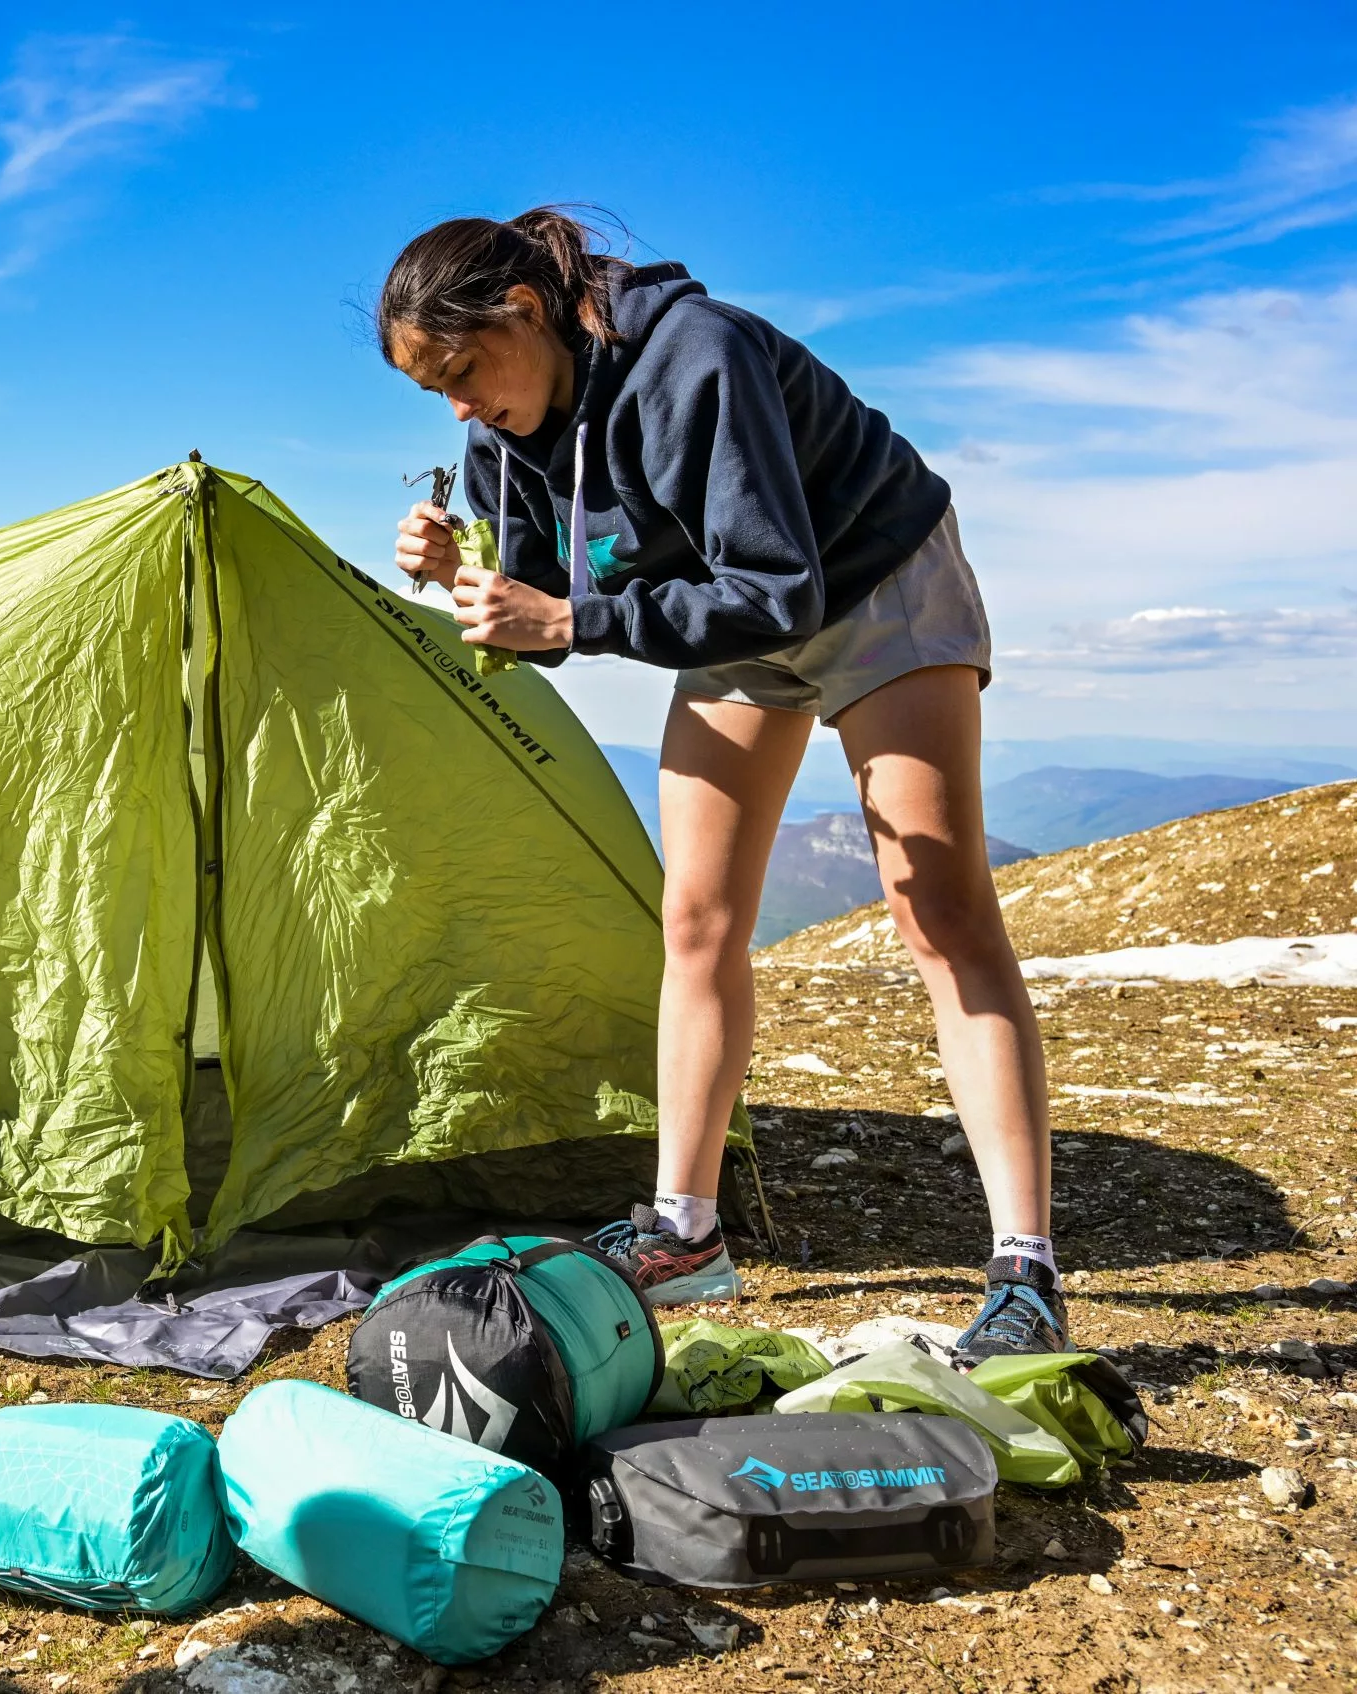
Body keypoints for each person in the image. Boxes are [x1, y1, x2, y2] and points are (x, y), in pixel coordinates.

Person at [380, 208, 1061, 1363]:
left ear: (524, 312)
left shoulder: (698, 353)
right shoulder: (502, 433)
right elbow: (545, 604)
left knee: (939, 914)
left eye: (459, 369)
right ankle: (684, 1233)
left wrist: (574, 615)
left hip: (870, 579)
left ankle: (1025, 1269)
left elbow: (778, 583)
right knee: (694, 916)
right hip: (733, 618)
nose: (456, 405)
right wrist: (463, 572)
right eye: (430, 391)